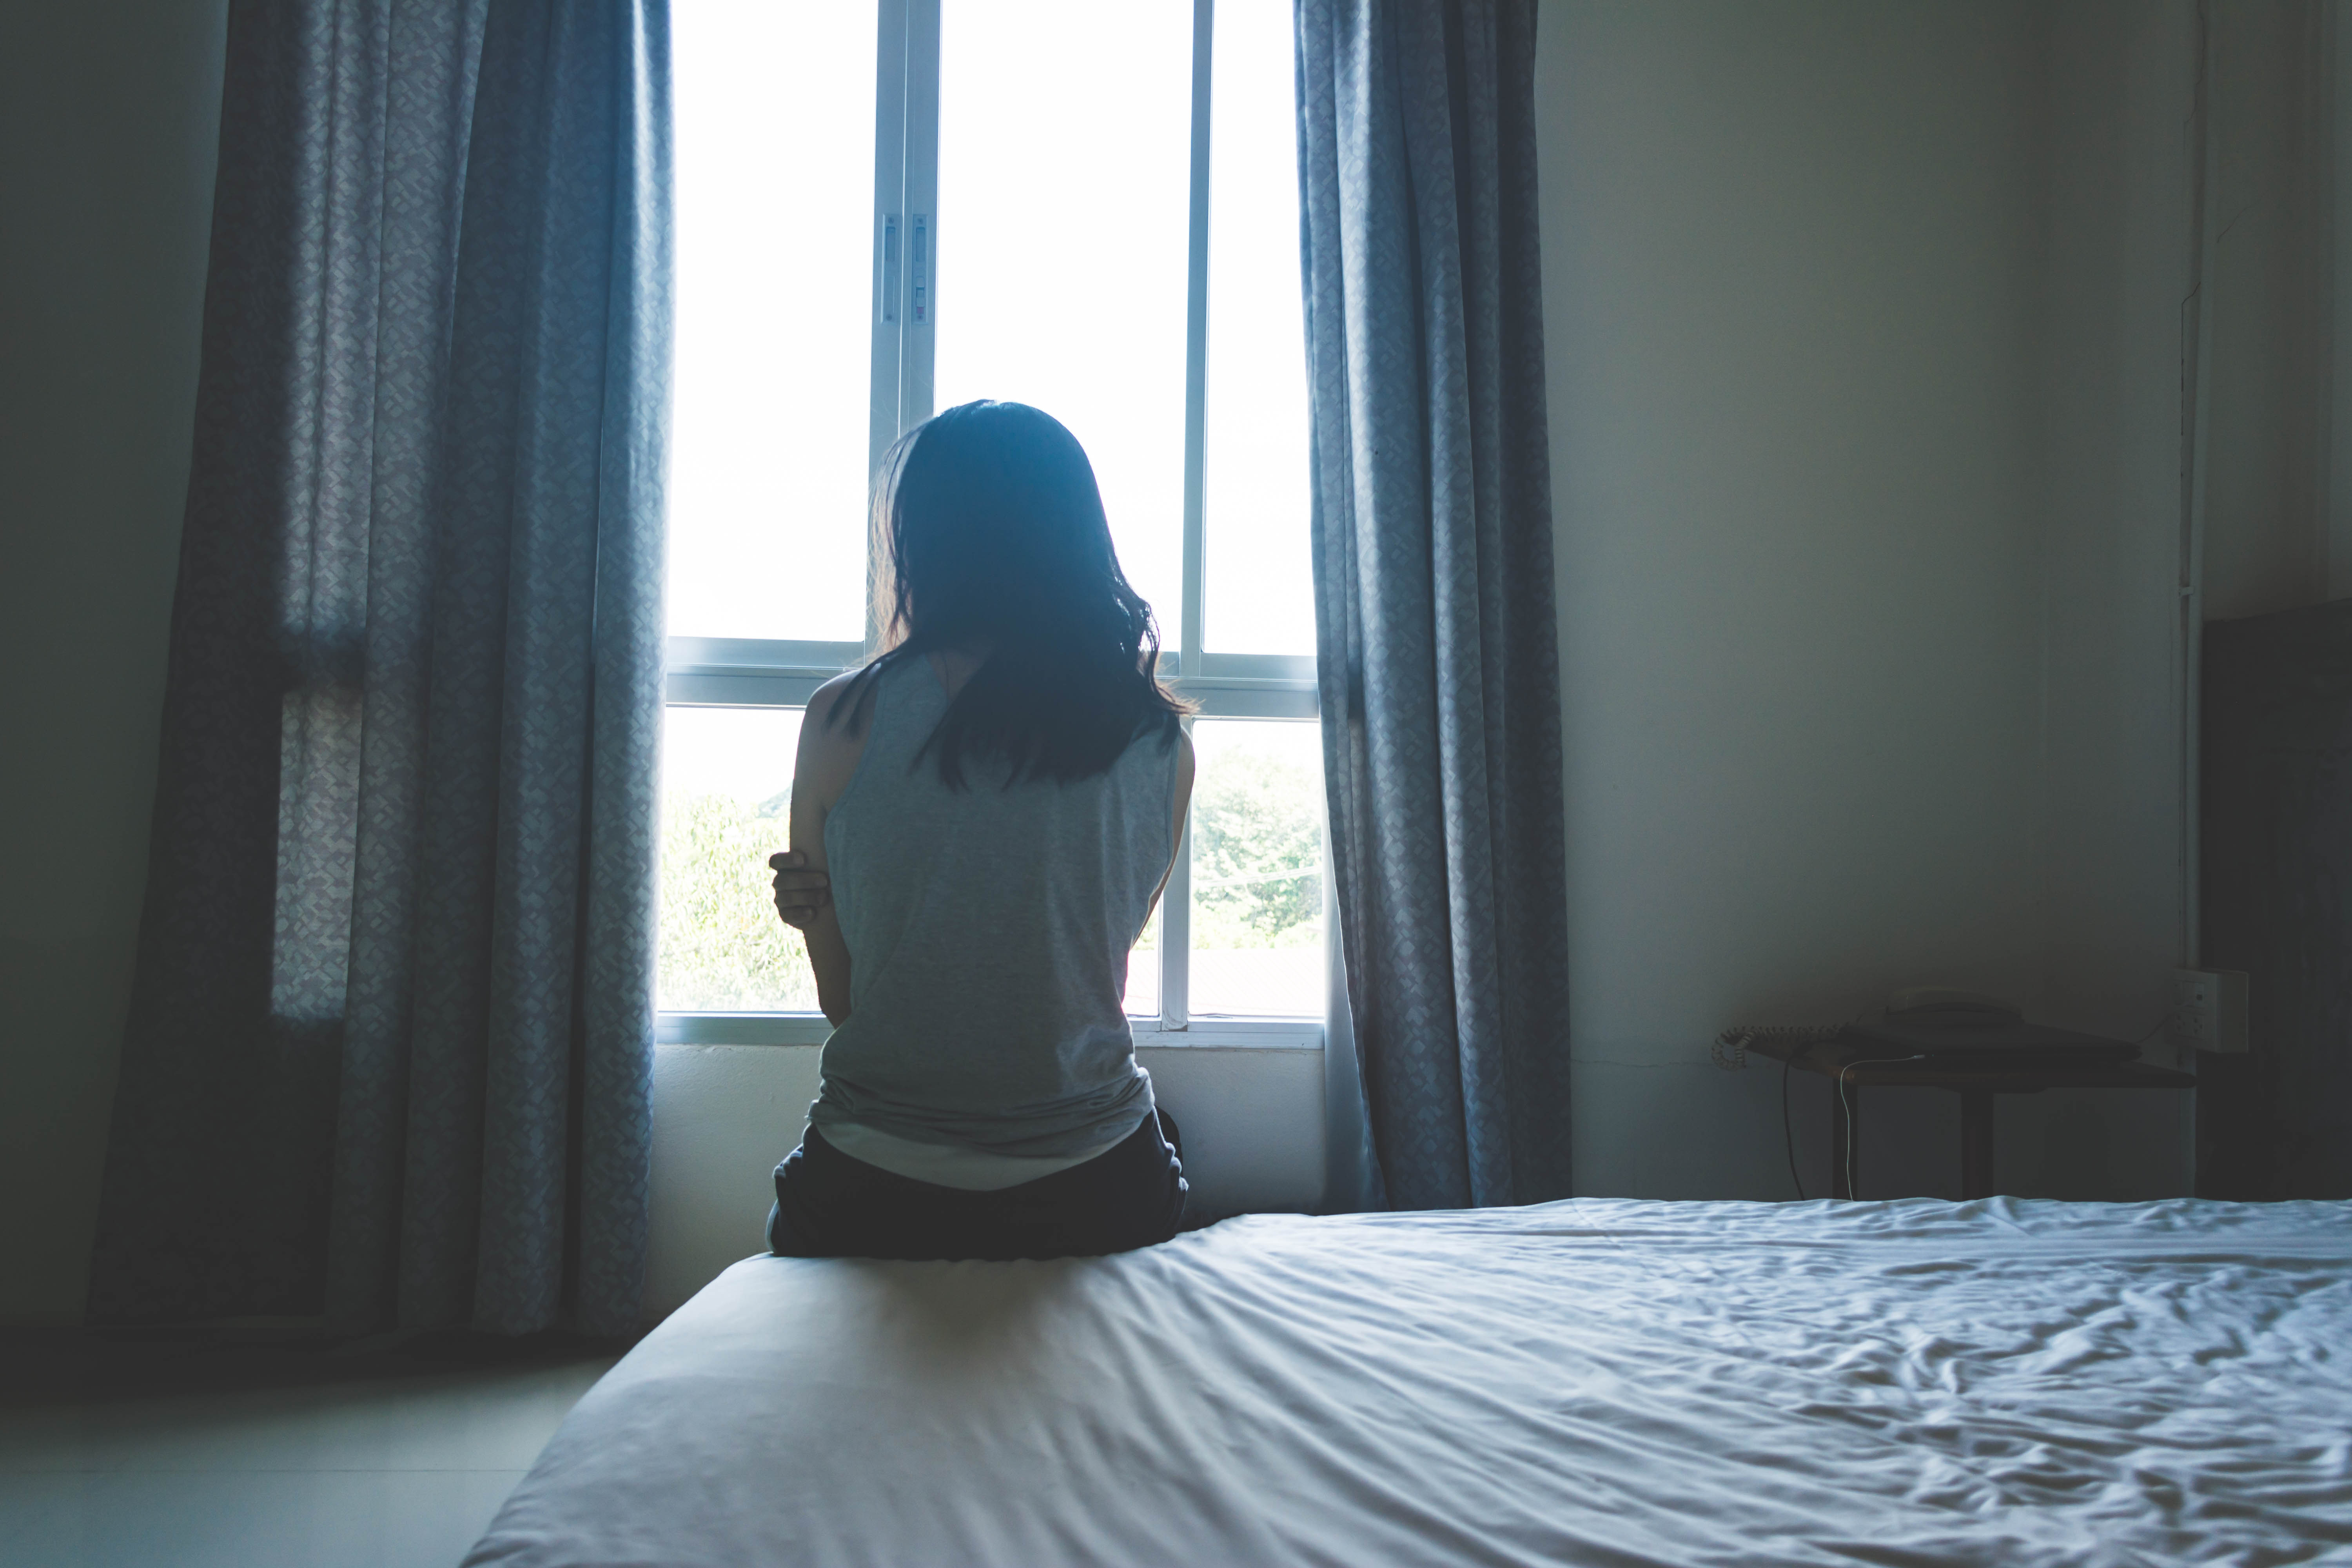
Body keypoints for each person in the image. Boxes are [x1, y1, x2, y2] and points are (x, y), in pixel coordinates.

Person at [762, 400, 1195, 1262]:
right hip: (1093, 1187)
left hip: (873, 1187)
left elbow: (848, 1005)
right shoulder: (1158, 741)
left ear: (921, 539)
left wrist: (819, 910)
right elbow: (1084, 968)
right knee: (1165, 1131)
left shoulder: (842, 717)